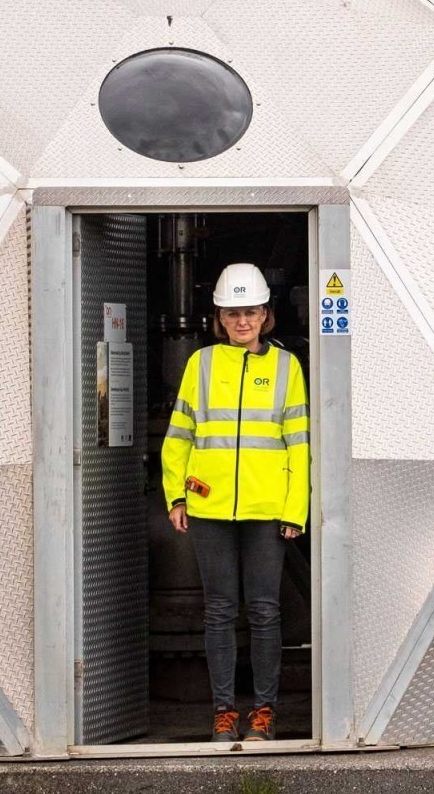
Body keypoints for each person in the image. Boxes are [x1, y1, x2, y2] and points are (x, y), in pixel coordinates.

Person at [161, 263, 310, 743]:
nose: (241, 321)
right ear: (220, 317)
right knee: (219, 611)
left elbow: (299, 445)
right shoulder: (200, 365)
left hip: (267, 512)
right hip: (210, 509)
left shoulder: (287, 367)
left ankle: (263, 712)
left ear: (265, 314)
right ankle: (224, 713)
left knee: (265, 611)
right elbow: (179, 435)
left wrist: (294, 510)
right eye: (231, 313)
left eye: (250, 312)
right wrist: (176, 494)